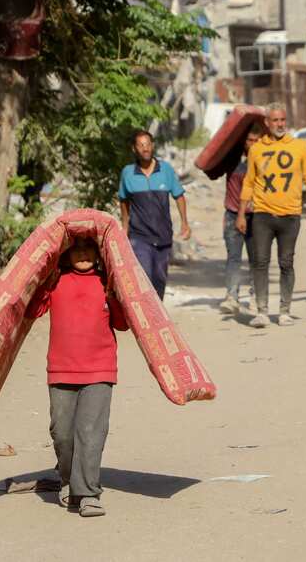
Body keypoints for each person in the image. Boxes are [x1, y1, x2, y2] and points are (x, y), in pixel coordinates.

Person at [25, 237, 128, 517]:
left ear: (98, 254)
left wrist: (114, 297)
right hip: (61, 368)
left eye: (88, 248)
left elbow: (122, 324)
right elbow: (32, 311)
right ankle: (69, 479)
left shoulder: (105, 283)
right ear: (65, 255)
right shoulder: (56, 281)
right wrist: (42, 282)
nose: (82, 253)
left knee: (91, 432)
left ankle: (88, 494)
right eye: (76, 249)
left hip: (100, 367)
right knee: (62, 433)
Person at [236, 103, 306, 328]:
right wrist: (242, 213)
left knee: (286, 263)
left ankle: (285, 311)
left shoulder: (299, 147)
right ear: (267, 123)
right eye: (275, 120)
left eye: (283, 120)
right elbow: (249, 182)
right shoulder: (256, 149)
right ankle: (262, 311)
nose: (280, 124)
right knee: (260, 262)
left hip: (291, 216)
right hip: (262, 215)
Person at [118, 130, 190, 301]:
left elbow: (179, 196)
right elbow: (124, 200)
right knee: (145, 277)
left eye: (148, 144)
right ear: (134, 149)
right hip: (139, 236)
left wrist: (185, 223)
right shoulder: (128, 173)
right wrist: (125, 227)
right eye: (141, 145)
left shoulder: (165, 169)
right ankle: (146, 319)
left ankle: (157, 319)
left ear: (153, 146)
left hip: (163, 235)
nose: (145, 148)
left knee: (159, 280)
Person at [220, 122, 265, 316]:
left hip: (256, 216)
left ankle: (255, 298)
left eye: (256, 140)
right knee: (234, 258)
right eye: (249, 140)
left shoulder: (265, 160)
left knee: (257, 260)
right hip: (232, 214)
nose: (252, 144)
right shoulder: (232, 159)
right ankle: (232, 297)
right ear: (243, 141)